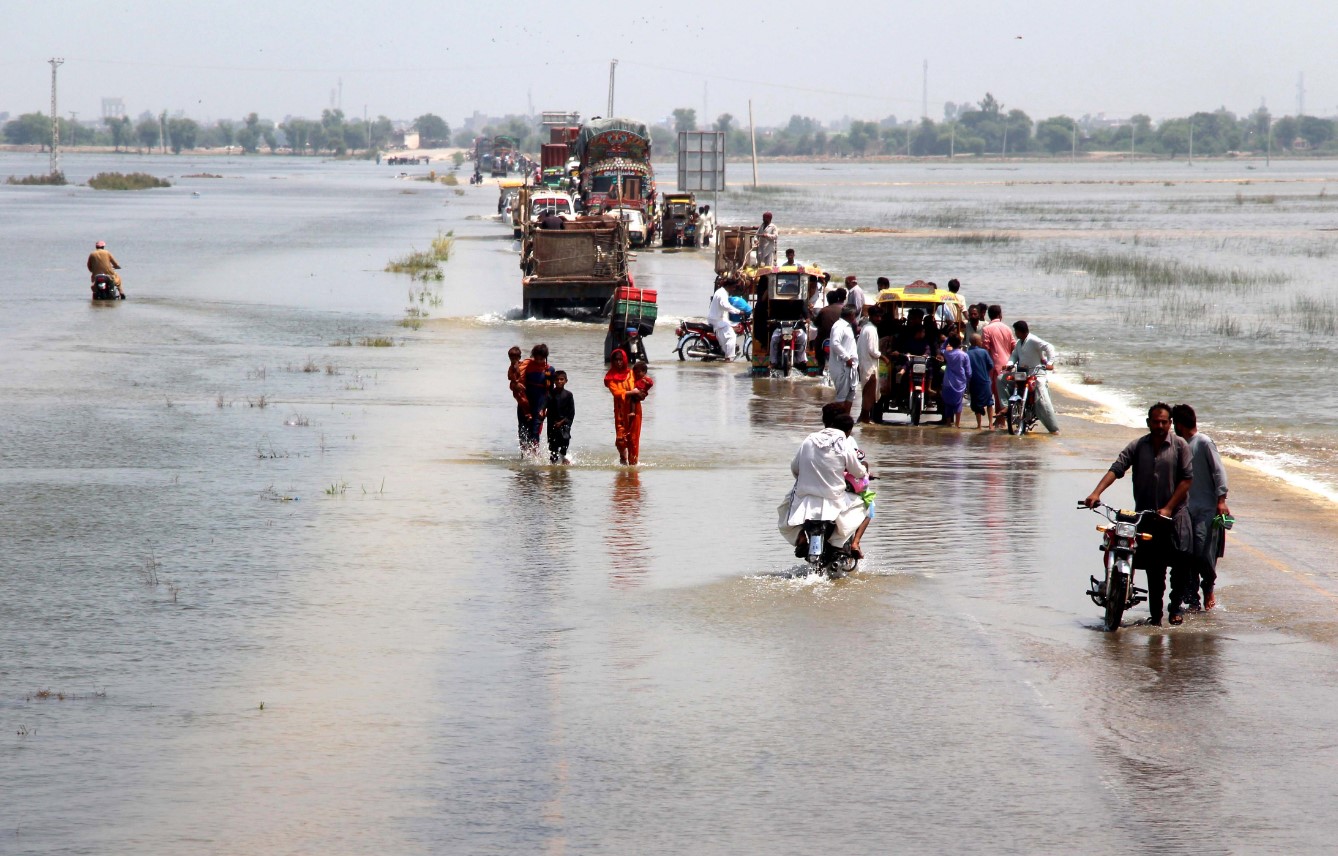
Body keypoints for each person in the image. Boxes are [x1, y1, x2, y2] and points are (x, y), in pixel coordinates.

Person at [1084, 403, 1195, 626]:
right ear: (1148, 423)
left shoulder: (1180, 446)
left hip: (1175, 515)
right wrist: (1096, 492)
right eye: (1156, 421)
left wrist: (1169, 507)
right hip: (1147, 517)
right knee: (1155, 570)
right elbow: (1117, 468)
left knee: (1181, 563)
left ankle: (1175, 609)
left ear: (1170, 423)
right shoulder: (1138, 446)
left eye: (1164, 421)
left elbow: (1187, 480)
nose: (1160, 425)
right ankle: (1156, 616)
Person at [778, 403, 872, 559]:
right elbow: (857, 471)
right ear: (848, 431)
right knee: (864, 507)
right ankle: (838, 544)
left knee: (784, 509)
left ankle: (801, 538)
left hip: (805, 498)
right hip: (834, 499)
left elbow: (795, 468)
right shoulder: (844, 442)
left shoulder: (809, 439)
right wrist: (864, 472)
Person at [1172, 404, 1231, 611]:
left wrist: (1221, 500)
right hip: (1185, 508)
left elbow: (1219, 472)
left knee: (1202, 554)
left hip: (1206, 508)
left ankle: (1208, 587)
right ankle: (1192, 597)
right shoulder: (1178, 444)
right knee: (1185, 554)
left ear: (1178, 424)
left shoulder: (1204, 443)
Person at [1006, 320, 1060, 434]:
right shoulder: (1019, 343)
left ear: (1022, 331)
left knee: (1042, 397)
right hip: (1023, 373)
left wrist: (1050, 362)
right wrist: (1010, 364)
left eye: (1016, 331)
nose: (1015, 333)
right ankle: (1006, 407)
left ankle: (1053, 428)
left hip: (1037, 374)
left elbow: (1049, 347)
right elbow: (1014, 355)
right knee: (1001, 380)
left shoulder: (1033, 340)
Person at [518, 344, 556, 454]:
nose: (539, 361)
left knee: (535, 431)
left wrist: (545, 408)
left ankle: (535, 455)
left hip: (540, 403)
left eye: (542, 359)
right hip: (525, 402)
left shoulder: (550, 370)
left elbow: (550, 391)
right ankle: (524, 455)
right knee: (523, 430)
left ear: (545, 357)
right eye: (536, 358)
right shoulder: (526, 366)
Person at [981, 305, 1015, 427]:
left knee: (997, 393)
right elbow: (1013, 346)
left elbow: (985, 348)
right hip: (1008, 364)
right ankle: (1004, 418)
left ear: (989, 316)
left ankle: (1001, 420)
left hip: (995, 366)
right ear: (1000, 315)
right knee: (1006, 392)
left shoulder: (987, 329)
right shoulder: (1007, 328)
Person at [604, 349, 636, 465]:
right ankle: (623, 457)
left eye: (620, 359)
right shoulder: (610, 377)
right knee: (620, 440)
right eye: (616, 360)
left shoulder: (632, 373)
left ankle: (633, 464)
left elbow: (642, 384)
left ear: (625, 360)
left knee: (633, 439)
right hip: (620, 412)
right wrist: (632, 392)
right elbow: (616, 393)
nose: (618, 362)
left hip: (634, 410)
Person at [829, 306, 859, 412]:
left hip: (851, 367)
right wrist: (847, 358)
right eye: (855, 315)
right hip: (842, 366)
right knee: (841, 398)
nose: (855, 317)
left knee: (850, 396)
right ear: (851, 315)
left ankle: (846, 421)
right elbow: (835, 344)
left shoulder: (848, 326)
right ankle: (839, 422)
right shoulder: (839, 326)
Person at [856, 305, 883, 423]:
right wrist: (883, 357)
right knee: (869, 394)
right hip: (869, 366)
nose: (879, 319)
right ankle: (865, 419)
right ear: (870, 316)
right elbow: (873, 351)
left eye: (880, 316)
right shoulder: (871, 330)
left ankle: (862, 417)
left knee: (867, 392)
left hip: (864, 364)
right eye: (876, 316)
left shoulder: (865, 328)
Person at [939, 333, 971, 427]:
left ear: (951, 343)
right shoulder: (964, 355)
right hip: (960, 382)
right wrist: (968, 380)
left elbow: (942, 348)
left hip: (947, 381)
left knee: (947, 403)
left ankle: (948, 423)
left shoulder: (948, 354)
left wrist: (947, 339)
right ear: (960, 342)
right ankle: (957, 424)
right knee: (958, 403)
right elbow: (968, 371)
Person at [966, 333, 995, 429]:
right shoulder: (984, 352)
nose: (982, 342)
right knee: (989, 402)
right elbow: (991, 365)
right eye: (980, 340)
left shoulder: (967, 353)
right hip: (985, 380)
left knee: (976, 403)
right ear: (977, 342)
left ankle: (979, 425)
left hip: (973, 382)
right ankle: (991, 424)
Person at [627, 361, 653, 466]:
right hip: (632, 398)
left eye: (639, 372)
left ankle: (633, 460)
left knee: (633, 437)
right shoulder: (632, 378)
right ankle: (628, 459)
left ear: (644, 372)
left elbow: (649, 384)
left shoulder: (644, 380)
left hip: (638, 396)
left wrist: (645, 386)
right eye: (636, 372)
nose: (637, 374)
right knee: (626, 437)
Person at [545, 370, 575, 464]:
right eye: (557, 379)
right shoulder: (550, 394)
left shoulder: (569, 395)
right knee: (553, 447)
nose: (559, 381)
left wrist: (562, 422)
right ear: (554, 381)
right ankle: (553, 472)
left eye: (561, 379)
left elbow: (571, 413)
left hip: (564, 423)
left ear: (566, 381)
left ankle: (563, 458)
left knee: (565, 442)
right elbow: (544, 406)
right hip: (552, 424)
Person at [814, 289, 846, 375]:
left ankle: (820, 365)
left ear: (828, 300)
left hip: (825, 338)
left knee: (817, 344)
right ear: (837, 299)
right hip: (839, 338)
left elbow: (816, 323)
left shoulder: (824, 310)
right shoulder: (843, 310)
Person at [706, 279, 739, 361]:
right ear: (729, 286)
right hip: (716, 319)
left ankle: (724, 351)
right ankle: (728, 358)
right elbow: (724, 305)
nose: (733, 289)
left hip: (716, 318)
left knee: (729, 328)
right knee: (732, 336)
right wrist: (738, 311)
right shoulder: (722, 293)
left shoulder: (721, 291)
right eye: (733, 287)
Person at [507, 346, 530, 451]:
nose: (513, 360)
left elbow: (532, 361)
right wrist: (515, 383)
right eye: (511, 358)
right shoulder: (511, 367)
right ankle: (523, 450)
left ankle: (528, 413)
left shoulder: (524, 364)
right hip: (518, 392)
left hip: (526, 393)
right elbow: (511, 379)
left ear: (519, 357)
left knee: (524, 402)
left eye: (515, 358)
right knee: (522, 428)